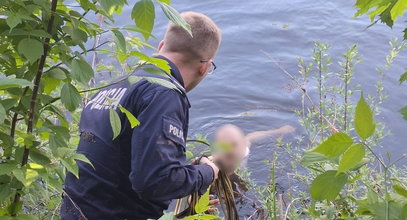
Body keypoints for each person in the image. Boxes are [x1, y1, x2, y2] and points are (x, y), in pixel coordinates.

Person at [61, 11, 222, 220]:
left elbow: (118, 164)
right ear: (205, 66)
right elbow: (155, 182)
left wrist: (181, 171)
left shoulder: (115, 87)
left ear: (161, 46)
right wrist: (207, 173)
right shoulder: (164, 94)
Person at [213, 124, 295, 177]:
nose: (230, 151)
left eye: (234, 145)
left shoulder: (244, 150)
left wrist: (278, 131)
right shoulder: (214, 164)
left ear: (242, 143)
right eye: (224, 147)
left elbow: (251, 136)